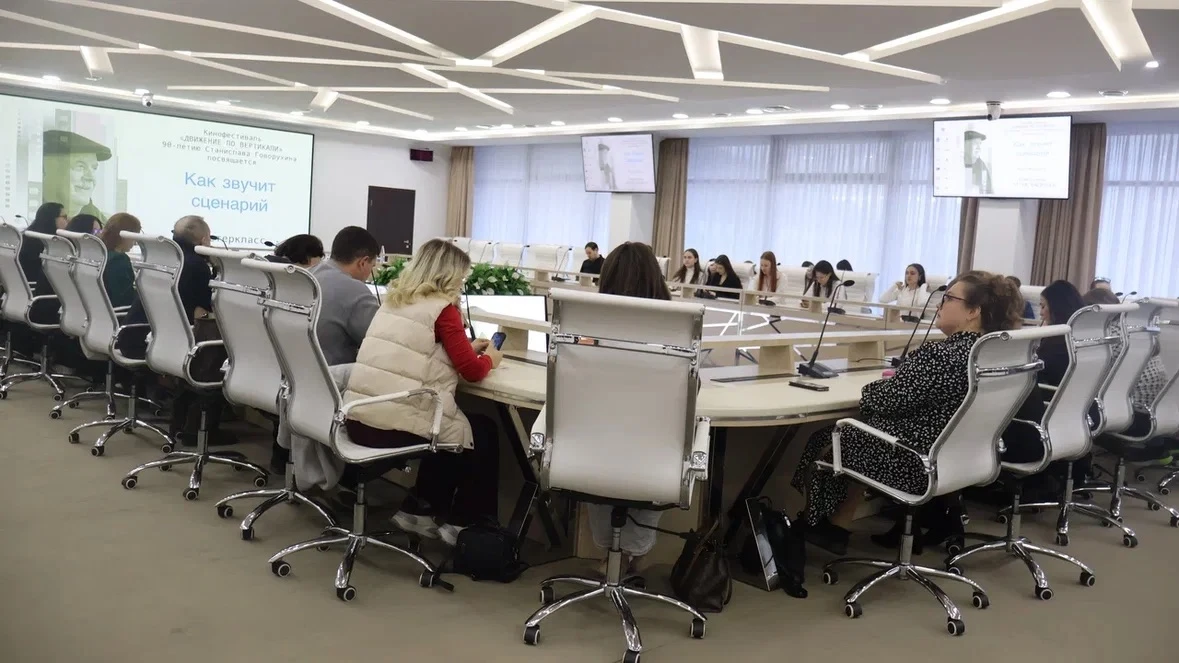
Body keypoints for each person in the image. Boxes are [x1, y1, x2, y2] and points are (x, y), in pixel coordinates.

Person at [792, 271, 1023, 554]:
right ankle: (836, 525)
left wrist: (874, 388)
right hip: (960, 461)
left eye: (948, 298)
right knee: (861, 433)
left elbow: (881, 400)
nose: (939, 304)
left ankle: (815, 523)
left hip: (913, 464)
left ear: (973, 311)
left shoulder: (940, 356)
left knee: (832, 437)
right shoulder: (989, 357)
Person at [343, 238, 503, 546]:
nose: (462, 284)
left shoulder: (394, 300)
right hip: (389, 426)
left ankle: (419, 510)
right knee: (477, 431)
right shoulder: (443, 310)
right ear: (450, 275)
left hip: (358, 418)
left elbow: (417, 352)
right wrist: (490, 360)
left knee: (447, 422)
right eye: (461, 277)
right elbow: (472, 371)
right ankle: (465, 525)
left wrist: (463, 349)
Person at [309, 227, 381, 367]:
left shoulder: (308, 275)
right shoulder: (355, 290)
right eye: (372, 267)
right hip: (332, 374)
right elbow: (379, 341)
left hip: (296, 372)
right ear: (363, 262)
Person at [42, 129, 112, 222]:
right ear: (49, 169)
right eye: (80, 166)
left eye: (94, 168)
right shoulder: (27, 216)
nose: (91, 177)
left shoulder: (102, 223)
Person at [98, 212, 142, 308]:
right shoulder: (119, 260)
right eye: (134, 237)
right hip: (118, 313)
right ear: (124, 236)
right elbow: (124, 299)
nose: (135, 242)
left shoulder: (99, 254)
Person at [963, 129, 993, 196]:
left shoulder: (981, 165)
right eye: (975, 143)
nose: (979, 147)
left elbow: (988, 191)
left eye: (980, 144)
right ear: (965, 145)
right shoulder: (957, 163)